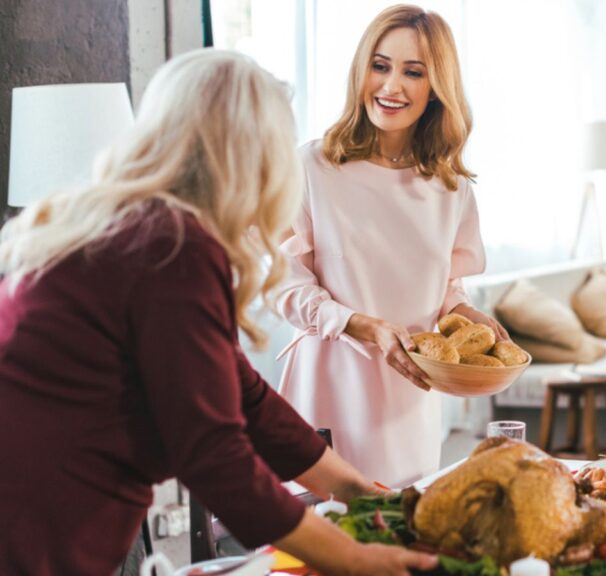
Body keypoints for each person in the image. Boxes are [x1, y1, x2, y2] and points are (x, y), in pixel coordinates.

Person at [0, 50, 436, 576]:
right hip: (34, 532)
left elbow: (243, 394)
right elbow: (214, 454)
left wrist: (359, 493)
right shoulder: (172, 248)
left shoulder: (131, 225)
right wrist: (355, 560)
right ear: (253, 158)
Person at [275, 5, 507, 488]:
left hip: (410, 396)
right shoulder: (312, 168)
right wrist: (363, 326)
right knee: (324, 546)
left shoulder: (450, 188)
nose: (391, 86)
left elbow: (444, 289)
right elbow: (283, 284)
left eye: (413, 72)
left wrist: (467, 314)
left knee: (402, 542)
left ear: (436, 87)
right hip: (331, 387)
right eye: (380, 66)